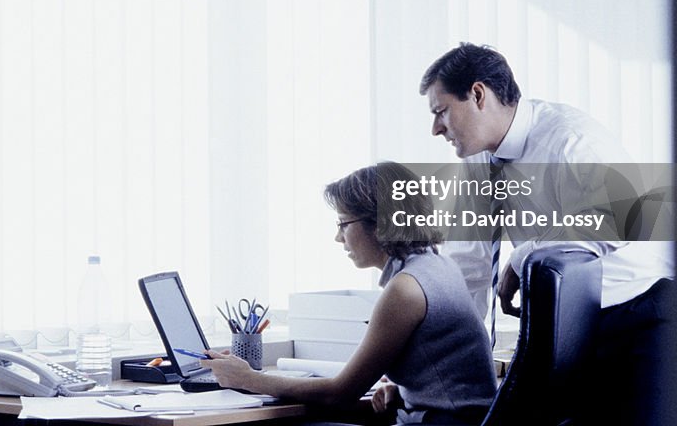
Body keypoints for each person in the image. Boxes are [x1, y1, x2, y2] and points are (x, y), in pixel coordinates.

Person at [419, 42, 674, 426]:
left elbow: (620, 224)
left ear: (477, 94)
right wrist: (433, 364)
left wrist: (523, 257)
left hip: (638, 316)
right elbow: (469, 267)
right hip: (564, 323)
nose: (435, 128)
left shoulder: (571, 139)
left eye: (441, 112)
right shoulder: (476, 159)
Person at [202, 161, 497, 426]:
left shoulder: (406, 289)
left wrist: (250, 379)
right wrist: (406, 391)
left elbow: (340, 393)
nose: (338, 237)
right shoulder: (439, 266)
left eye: (343, 224)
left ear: (380, 224)